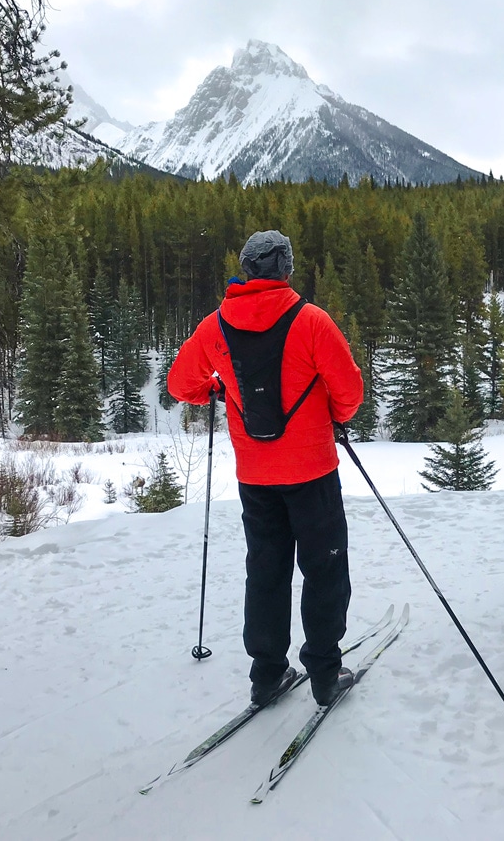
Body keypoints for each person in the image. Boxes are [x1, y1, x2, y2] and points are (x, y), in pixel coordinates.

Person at [167, 230, 364, 707]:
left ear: (248, 270)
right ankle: (323, 672)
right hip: (313, 470)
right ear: (286, 269)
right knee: (325, 570)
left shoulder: (214, 327)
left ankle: (268, 675)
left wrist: (214, 388)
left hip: (255, 476)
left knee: (267, 571)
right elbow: (350, 392)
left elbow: (179, 383)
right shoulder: (312, 321)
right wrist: (332, 416)